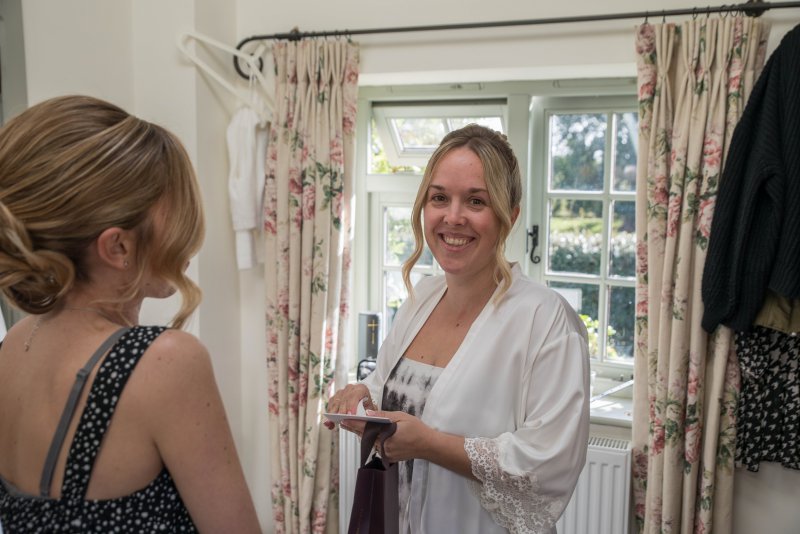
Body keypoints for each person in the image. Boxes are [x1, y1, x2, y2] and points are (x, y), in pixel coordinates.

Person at [0, 95, 261, 533]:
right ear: (118, 246)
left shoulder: (16, 342)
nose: (189, 238)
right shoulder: (164, 361)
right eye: (175, 214)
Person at [327, 124, 590, 534]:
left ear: (510, 216)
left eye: (476, 201)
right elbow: (392, 394)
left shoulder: (545, 319)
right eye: (439, 198)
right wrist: (363, 397)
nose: (453, 217)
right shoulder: (420, 300)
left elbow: (549, 462)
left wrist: (431, 444)